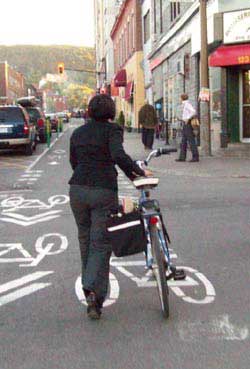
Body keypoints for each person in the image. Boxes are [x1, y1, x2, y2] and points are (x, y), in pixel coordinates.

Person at [69, 94, 152, 320]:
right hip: (102, 191)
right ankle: (92, 288)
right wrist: (138, 172)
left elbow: (73, 162)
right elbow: (118, 155)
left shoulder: (77, 133)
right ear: (110, 111)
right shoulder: (112, 130)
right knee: (101, 243)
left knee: (85, 240)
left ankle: (93, 297)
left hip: (77, 190)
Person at [176, 93, 199, 162]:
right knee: (183, 141)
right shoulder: (185, 104)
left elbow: (193, 112)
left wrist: (188, 118)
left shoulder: (187, 104)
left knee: (191, 140)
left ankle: (195, 157)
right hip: (185, 124)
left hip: (187, 124)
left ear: (182, 98)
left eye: (180, 98)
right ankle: (182, 157)